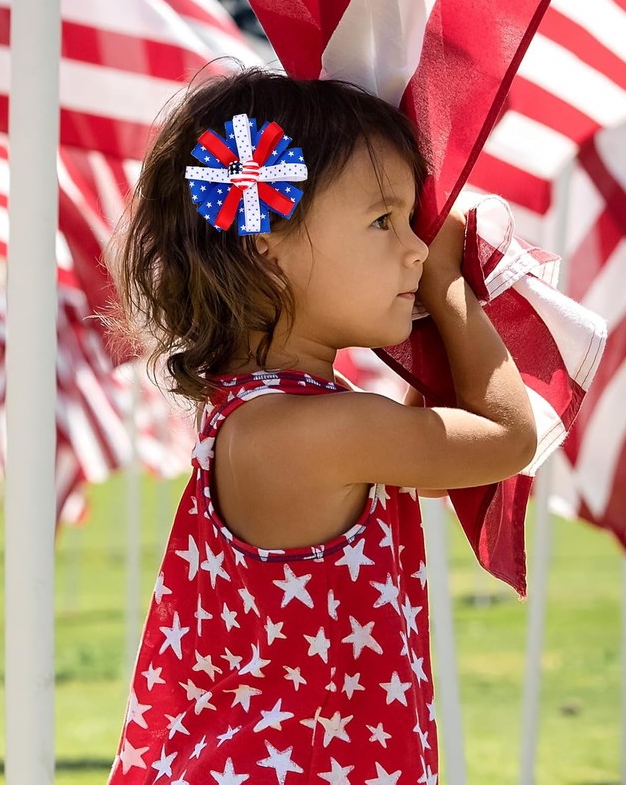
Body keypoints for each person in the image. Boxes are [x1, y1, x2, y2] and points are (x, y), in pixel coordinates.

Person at [106, 66, 536, 785]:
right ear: (265, 247)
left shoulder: (271, 414)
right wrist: (452, 290)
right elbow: (506, 438)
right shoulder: (320, 430)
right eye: (382, 221)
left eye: (411, 223)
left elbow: (430, 456)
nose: (416, 248)